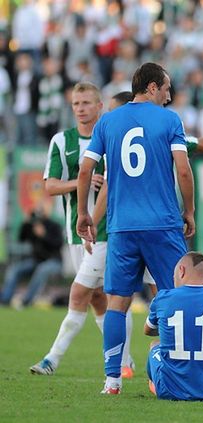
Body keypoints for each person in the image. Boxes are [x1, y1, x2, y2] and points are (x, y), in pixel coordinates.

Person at [76, 62, 195, 395]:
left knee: (117, 302)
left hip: (122, 227)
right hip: (162, 224)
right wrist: (190, 210)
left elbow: (86, 171)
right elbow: (183, 171)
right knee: (174, 296)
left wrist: (84, 213)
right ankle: (174, 374)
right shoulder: (170, 120)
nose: (170, 96)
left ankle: (112, 380)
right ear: (153, 87)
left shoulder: (108, 121)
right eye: (167, 89)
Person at [30, 82, 110, 375]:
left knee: (78, 293)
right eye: (76, 104)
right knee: (97, 297)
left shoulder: (111, 138)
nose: (81, 109)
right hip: (74, 231)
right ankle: (124, 361)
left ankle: (52, 359)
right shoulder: (62, 141)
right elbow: (50, 186)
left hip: (104, 231)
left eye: (87, 103)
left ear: (99, 106)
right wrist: (82, 182)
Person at [144, 252, 203, 401]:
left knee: (155, 345)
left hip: (170, 390)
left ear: (181, 270)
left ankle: (156, 385)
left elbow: (147, 330)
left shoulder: (163, 298)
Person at [1, 208, 63, 307]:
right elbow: (21, 238)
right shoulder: (32, 225)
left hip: (54, 261)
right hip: (36, 261)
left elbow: (58, 244)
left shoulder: (54, 226)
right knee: (15, 269)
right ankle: (5, 299)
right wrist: (25, 223)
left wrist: (44, 235)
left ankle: (26, 301)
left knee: (42, 269)